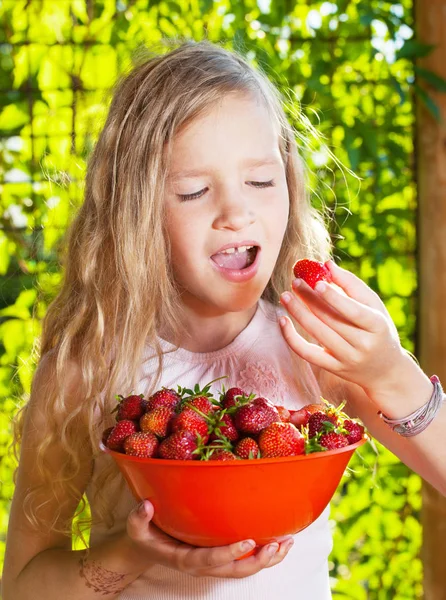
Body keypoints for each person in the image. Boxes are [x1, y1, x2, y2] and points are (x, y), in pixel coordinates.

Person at [2, 40, 446, 600]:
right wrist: (130, 554)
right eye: (194, 191)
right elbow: (21, 586)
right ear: (138, 212)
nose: (237, 213)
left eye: (261, 182)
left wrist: (389, 373)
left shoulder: (311, 343)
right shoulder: (86, 367)